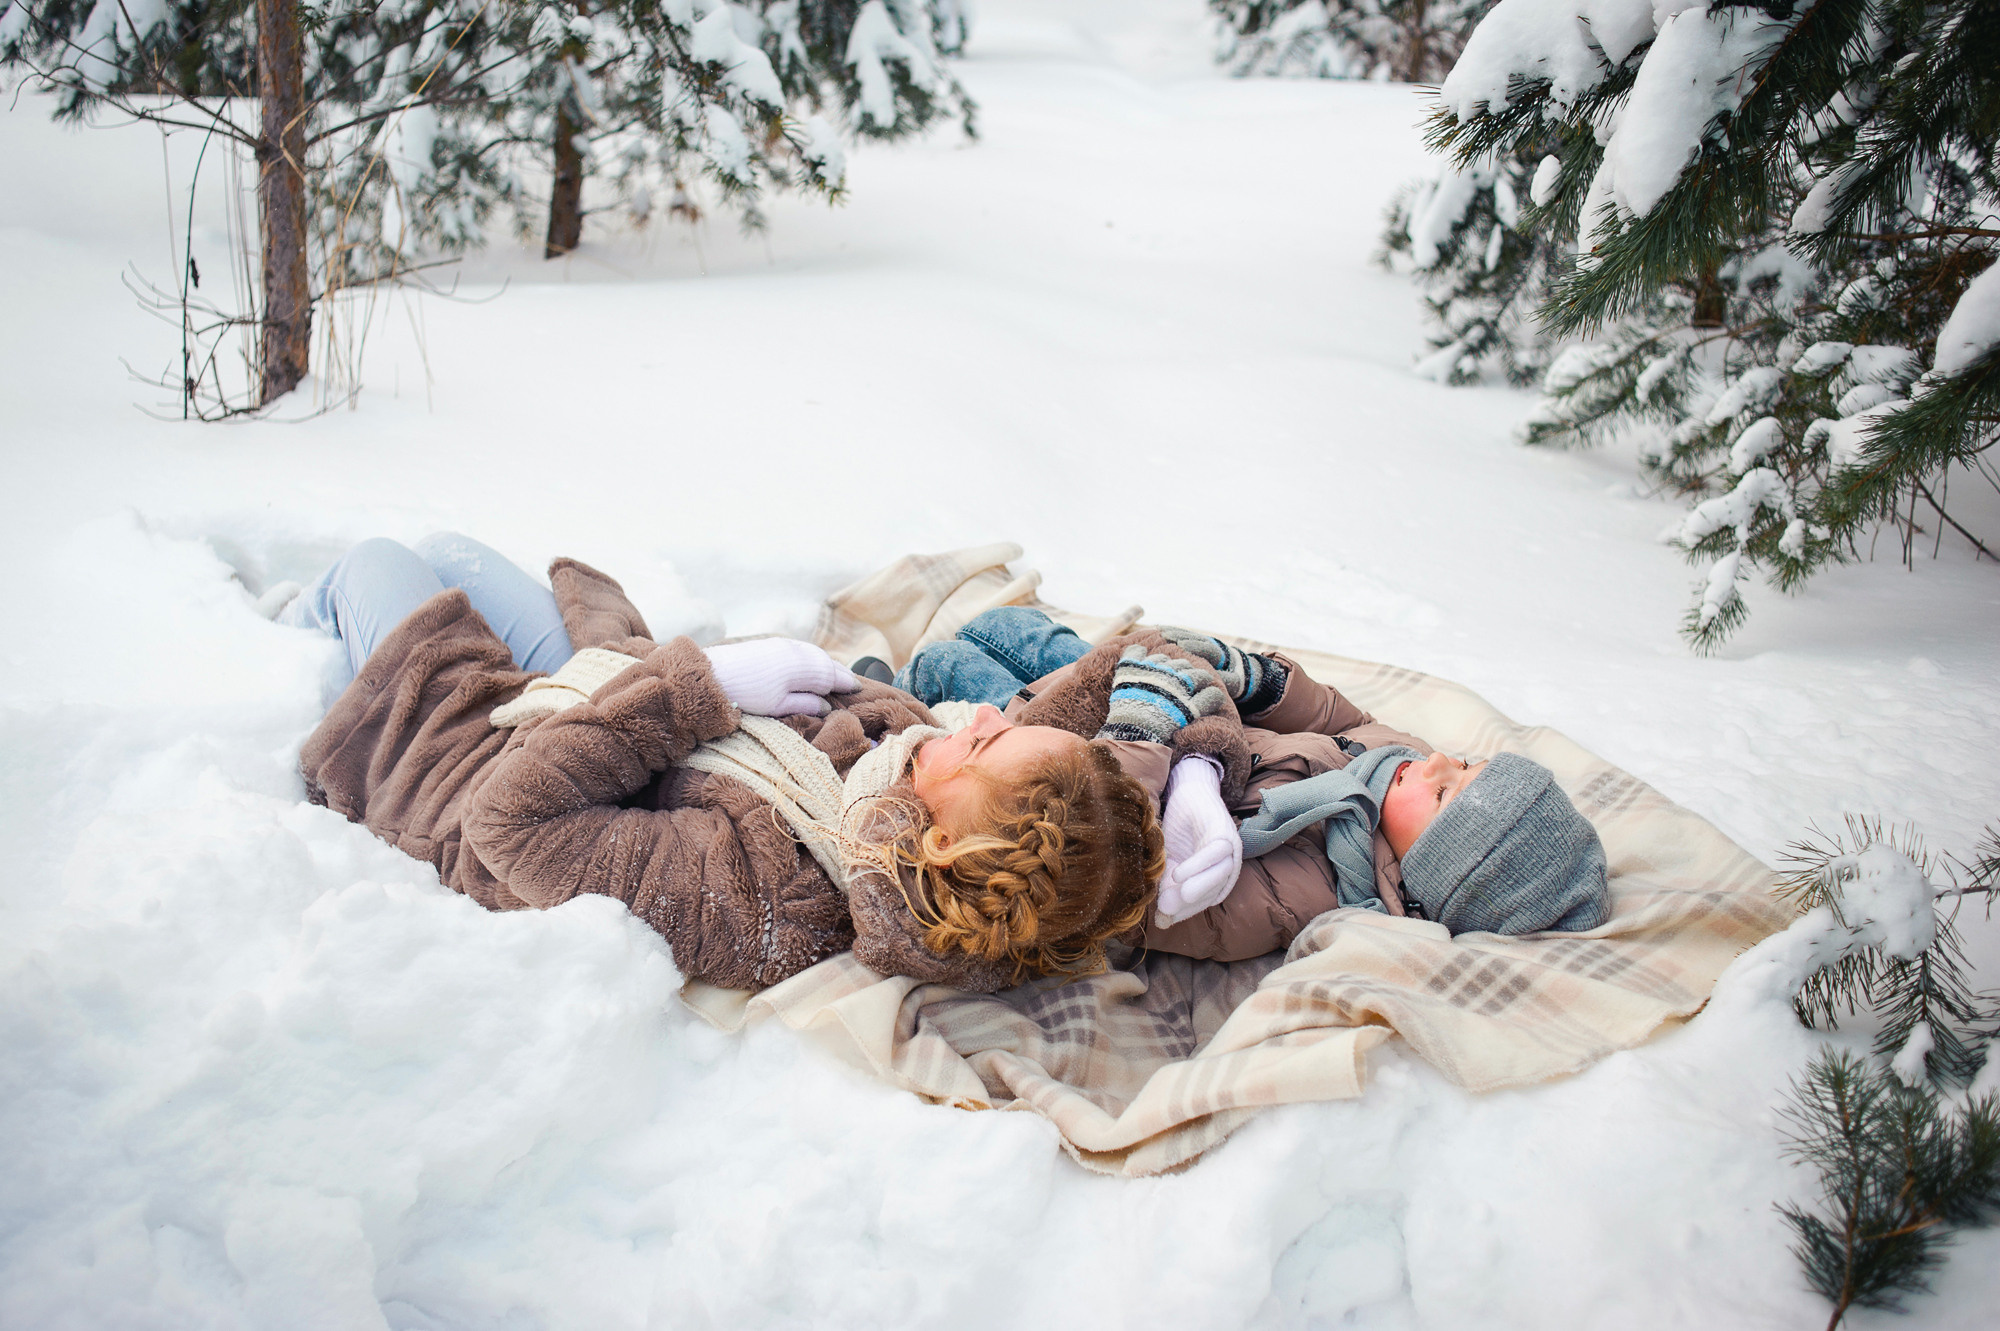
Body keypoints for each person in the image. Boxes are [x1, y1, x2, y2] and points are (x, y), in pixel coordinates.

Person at [283, 535, 1198, 994]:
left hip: (473, 752)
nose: (991, 713)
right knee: (451, 547)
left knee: (373, 562)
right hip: (597, 685)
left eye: (991, 740)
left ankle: (269, 651)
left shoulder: (770, 893)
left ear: (952, 839)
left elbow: (509, 822)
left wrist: (705, 685)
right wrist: (1181, 768)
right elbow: (1152, 654)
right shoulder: (914, 780)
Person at [892, 607, 1611, 962]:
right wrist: (1262, 680)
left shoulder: (1310, 893)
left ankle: (889, 692)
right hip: (1186, 709)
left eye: (1448, 793)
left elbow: (1124, 883)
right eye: (1465, 761)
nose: (1436, 764)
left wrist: (1147, 753)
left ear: (1432, 870)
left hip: (1081, 770)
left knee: (947, 675)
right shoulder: (1399, 760)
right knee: (1010, 628)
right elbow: (1336, 714)